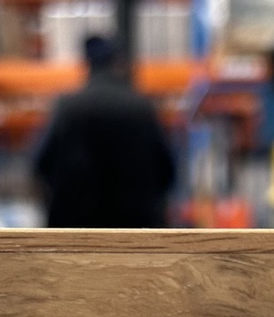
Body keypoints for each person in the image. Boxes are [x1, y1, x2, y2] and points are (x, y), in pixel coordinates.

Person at [33, 35, 176, 228]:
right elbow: (167, 170)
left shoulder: (67, 108)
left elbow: (40, 165)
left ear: (88, 66)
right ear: (117, 64)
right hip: (136, 232)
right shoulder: (141, 107)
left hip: (75, 232)